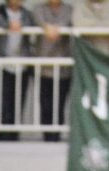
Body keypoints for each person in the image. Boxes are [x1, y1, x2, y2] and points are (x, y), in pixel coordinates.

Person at [0, 0, 37, 141]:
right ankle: (1, 136)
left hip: (22, 65)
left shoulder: (27, 14)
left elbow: (31, 24)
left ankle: (13, 136)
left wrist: (20, 25)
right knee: (3, 102)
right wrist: (9, 25)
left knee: (18, 102)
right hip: (2, 65)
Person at [33, 0, 73, 141]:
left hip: (63, 68)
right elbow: (38, 19)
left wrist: (56, 29)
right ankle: (47, 137)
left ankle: (56, 137)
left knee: (59, 105)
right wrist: (46, 27)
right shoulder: (39, 8)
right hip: (44, 67)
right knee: (45, 105)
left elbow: (66, 23)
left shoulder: (69, 10)